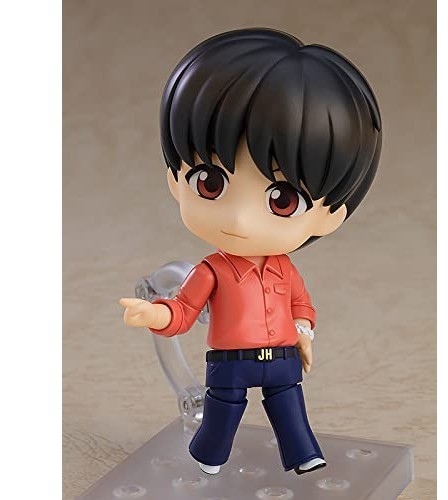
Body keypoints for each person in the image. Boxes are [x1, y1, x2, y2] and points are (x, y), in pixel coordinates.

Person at [119, 28, 381, 476]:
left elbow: (302, 305)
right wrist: (155, 314)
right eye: (210, 182)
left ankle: (303, 454)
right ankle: (208, 456)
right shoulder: (212, 271)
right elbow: (184, 311)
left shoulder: (285, 270)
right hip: (230, 363)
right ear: (175, 180)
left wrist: (304, 332)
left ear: (329, 216)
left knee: (289, 406)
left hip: (281, 360)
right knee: (223, 410)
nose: (239, 220)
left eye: (282, 200)